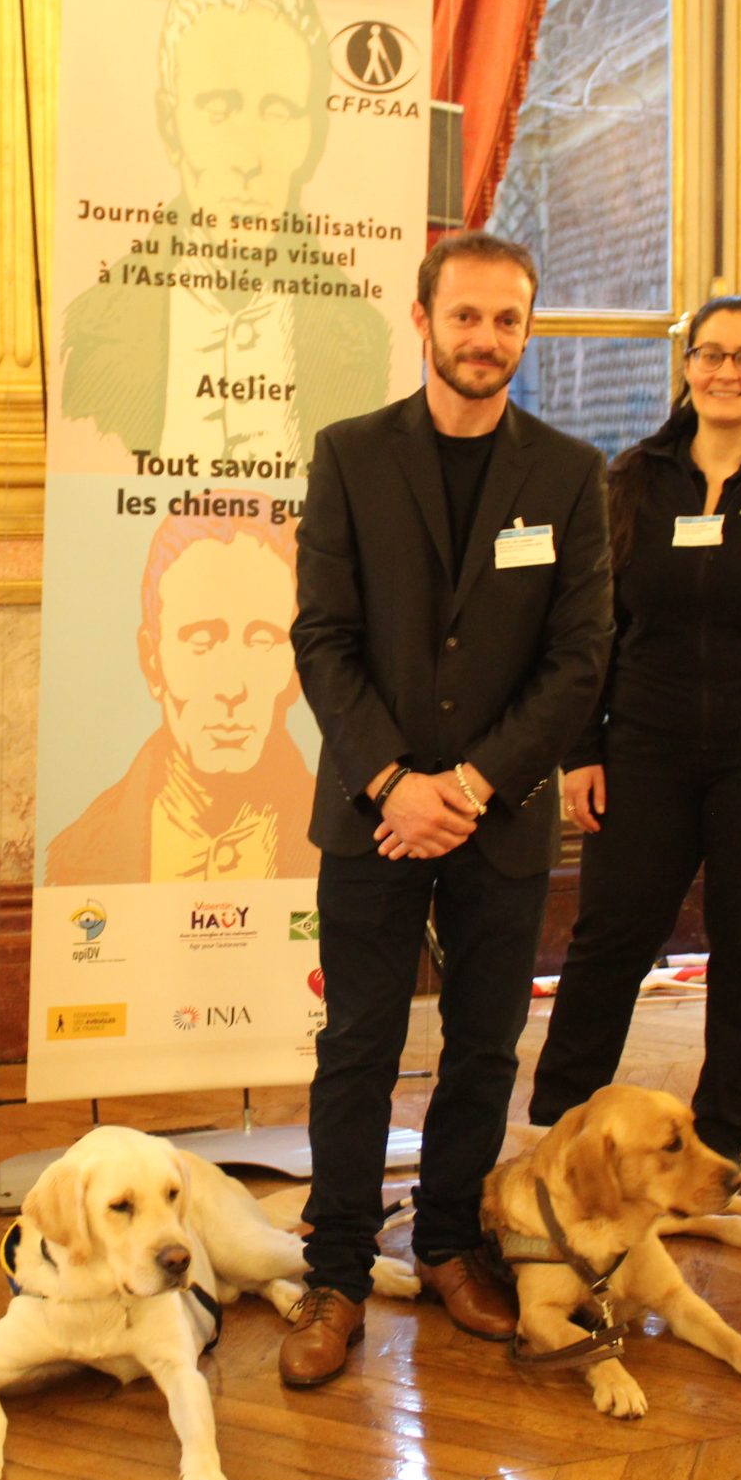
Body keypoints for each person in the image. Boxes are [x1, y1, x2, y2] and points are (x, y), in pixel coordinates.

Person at [279, 232, 613, 1387]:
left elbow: (579, 658)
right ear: (421, 320)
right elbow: (321, 637)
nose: (485, 338)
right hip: (372, 811)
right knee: (357, 1047)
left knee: (480, 1046)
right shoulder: (349, 455)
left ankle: (447, 1247)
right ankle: (333, 1271)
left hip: (497, 817)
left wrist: (467, 787)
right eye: (465, 316)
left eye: (506, 319)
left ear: (527, 330)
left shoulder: (568, 473)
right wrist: (394, 783)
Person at [527, 297, 741, 1165]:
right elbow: (593, 623)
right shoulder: (633, 477)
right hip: (644, 747)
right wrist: (583, 749)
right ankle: (555, 1138)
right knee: (609, 941)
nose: (728, 371)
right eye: (712, 354)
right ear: (687, 367)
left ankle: (718, 1150)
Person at [55, 0, 391, 468]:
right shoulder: (89, 334)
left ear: (312, 137)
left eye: (278, 112)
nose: (248, 159)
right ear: (170, 124)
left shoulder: (366, 342)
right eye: (218, 109)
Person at [45, 495, 318, 884]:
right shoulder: (77, 859)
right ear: (152, 661)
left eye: (262, 641)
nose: (232, 688)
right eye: (202, 641)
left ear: (297, 665)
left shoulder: (343, 843)